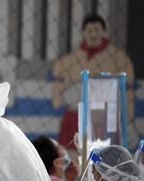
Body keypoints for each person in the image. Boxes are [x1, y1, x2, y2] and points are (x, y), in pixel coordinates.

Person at [52, 14, 135, 151]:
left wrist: (129, 116)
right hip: (76, 113)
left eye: (97, 30)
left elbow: (128, 89)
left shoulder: (119, 58)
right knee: (73, 155)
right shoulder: (69, 60)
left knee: (103, 155)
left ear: (103, 32)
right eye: (89, 30)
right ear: (83, 33)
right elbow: (58, 91)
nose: (93, 34)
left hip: (104, 115)